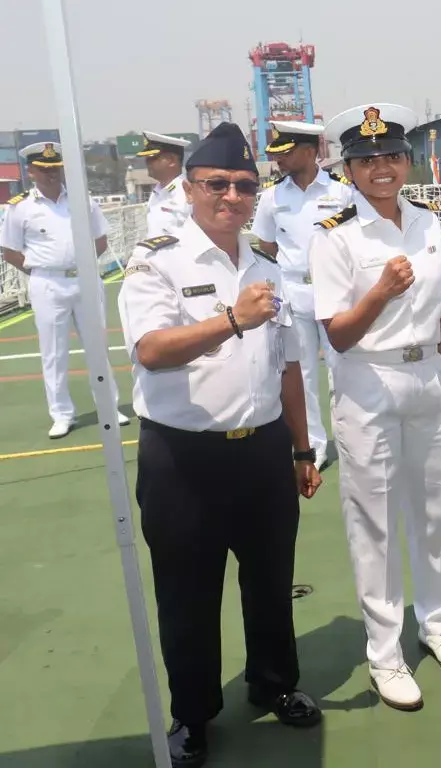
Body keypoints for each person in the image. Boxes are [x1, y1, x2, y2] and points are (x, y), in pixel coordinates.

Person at [118, 122, 324, 767]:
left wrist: (300, 447)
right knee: (188, 594)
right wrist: (233, 318)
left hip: (261, 450)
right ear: (188, 189)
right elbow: (151, 351)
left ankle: (274, 683)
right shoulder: (156, 259)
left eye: (243, 184)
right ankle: (193, 715)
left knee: (270, 581)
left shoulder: (266, 262)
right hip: (183, 458)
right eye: (216, 184)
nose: (231, 196)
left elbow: (287, 364)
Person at [310, 103, 441, 711]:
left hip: (425, 374)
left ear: (406, 162)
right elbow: (339, 334)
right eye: (366, 160)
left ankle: (437, 623)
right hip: (368, 381)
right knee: (374, 520)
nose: (381, 168)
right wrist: (380, 290)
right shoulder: (335, 236)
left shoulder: (427, 223)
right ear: (348, 170)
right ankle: (385, 652)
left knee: (431, 509)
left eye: (391, 157)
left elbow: (437, 315)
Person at [0, 141, 129, 438]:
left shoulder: (82, 200)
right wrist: (43, 271)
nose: (52, 174)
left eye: (56, 168)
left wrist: (79, 266)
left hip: (85, 279)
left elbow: (100, 240)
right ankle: (61, 414)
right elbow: (10, 252)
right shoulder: (20, 207)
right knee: (53, 352)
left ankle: (109, 406)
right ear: (31, 171)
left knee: (98, 346)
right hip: (47, 283)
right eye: (44, 169)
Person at [252, 120, 355, 469]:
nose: (279, 160)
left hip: (336, 289)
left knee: (344, 368)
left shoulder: (342, 192)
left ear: (311, 152)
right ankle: (313, 443)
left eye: (287, 152)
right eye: (277, 154)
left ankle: (351, 436)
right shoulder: (272, 197)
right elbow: (266, 246)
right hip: (294, 290)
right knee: (303, 372)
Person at [138, 131, 192, 237]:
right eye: (147, 158)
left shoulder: (188, 192)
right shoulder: (156, 192)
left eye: (152, 157)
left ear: (171, 161)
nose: (147, 163)